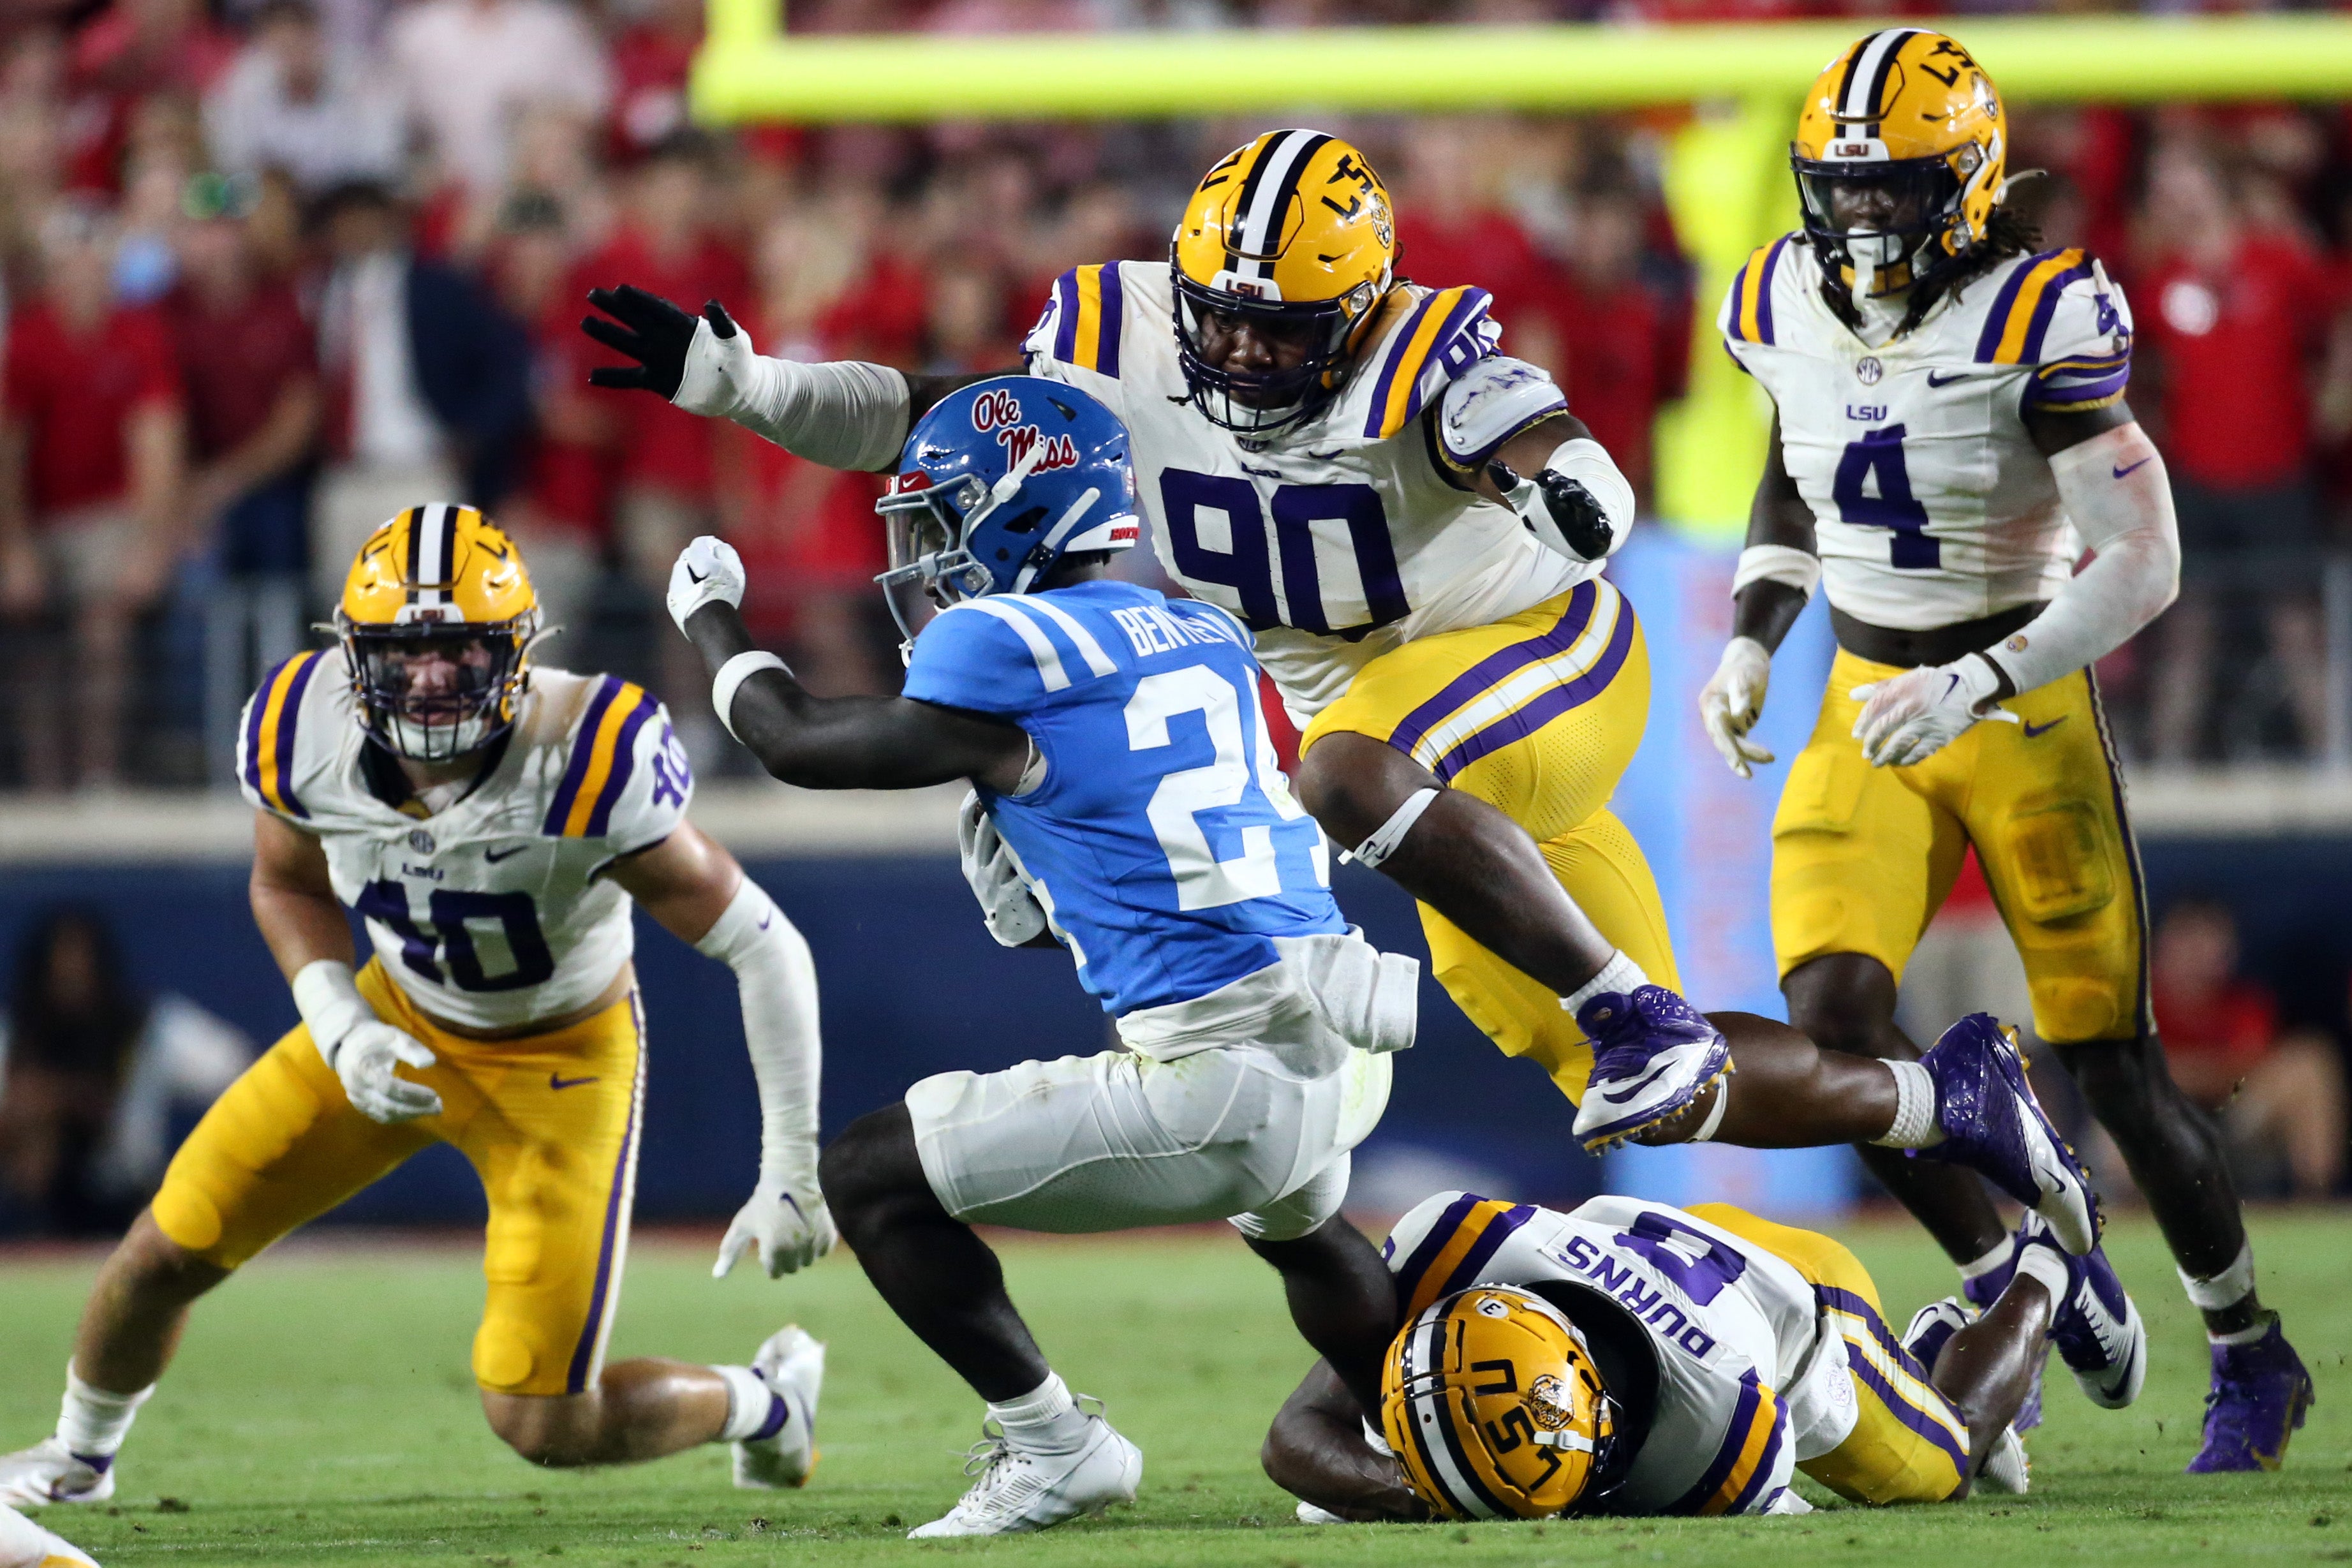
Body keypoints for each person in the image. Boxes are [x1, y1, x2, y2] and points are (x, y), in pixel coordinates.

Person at [664, 374, 2108, 1537]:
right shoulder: (1193, 628)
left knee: (866, 1170)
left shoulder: (1002, 647)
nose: (922, 558)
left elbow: (794, 738)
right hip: (1316, 1043)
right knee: (1302, 1235)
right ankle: (2015, 1255)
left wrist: (707, 612)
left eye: (946, 520)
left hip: (1227, 1060)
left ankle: (1052, 1447)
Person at [581, 129, 2104, 1197]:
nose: (1242, 357)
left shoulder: (1423, 349)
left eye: (1280, 329)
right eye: (1224, 325)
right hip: (1374, 719)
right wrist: (742, 382)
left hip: (1524, 655)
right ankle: (1960, 1130)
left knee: (1351, 780)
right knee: (1648, 1078)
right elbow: (934, 414)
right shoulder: (1116, 336)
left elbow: (1539, 443)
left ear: (1361, 304)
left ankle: (1631, 1012)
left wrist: (1566, 481)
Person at [1694, 27, 2311, 1472]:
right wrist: (1748, 634)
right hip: (1860, 696)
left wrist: (1977, 675)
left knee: (2112, 1069)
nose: (1853, 221)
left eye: (1885, 189)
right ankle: (2021, 1273)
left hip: (2014, 707)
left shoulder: (2038, 313)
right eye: (1833, 191)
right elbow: (1791, 476)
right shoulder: (1778, 294)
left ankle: (2245, 1348)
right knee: (1832, 1023)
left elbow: (2140, 558)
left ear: (1962, 185)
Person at [0, 507, 830, 1508]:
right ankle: (82, 1459)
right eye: (405, 650)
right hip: (397, 1020)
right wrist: (340, 1020)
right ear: (353, 655)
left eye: (461, 649)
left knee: (541, 1419)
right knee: (165, 1247)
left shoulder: (587, 749)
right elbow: (286, 884)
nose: (432, 677)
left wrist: (791, 1161)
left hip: (560, 1061)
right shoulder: (296, 725)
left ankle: (765, 1402)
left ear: (518, 651)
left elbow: (761, 941)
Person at [1265, 1186, 2143, 1523]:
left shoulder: (1719, 1429)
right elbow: (1292, 1434)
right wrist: (1425, 1486)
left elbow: (1779, 1514)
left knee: (1948, 1458)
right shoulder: (1448, 1251)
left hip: (1802, 1320)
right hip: (1689, 1236)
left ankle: (2048, 1264)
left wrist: (1433, 1497)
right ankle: (1929, 1342)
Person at [0, 203, 185, 790]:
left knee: (104, 625)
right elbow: (10, 451)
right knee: (31, 636)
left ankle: (99, 773)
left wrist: (151, 544)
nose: (81, 271)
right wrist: (15, 547)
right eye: (68, 261)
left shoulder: (139, 334)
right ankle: (44, 781)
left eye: (91, 259)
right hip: (41, 514)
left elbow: (158, 438)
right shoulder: (28, 339)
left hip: (112, 512)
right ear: (50, 271)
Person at [0, 906, 250, 1238]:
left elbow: (242, 1071)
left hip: (129, 1213)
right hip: (28, 1225)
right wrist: (36, 1111)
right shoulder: (12, 1040)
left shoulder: (149, 1031)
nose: (73, 976)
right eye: (60, 969)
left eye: (83, 965)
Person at [2151, 898, 2345, 1201]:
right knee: (2127, 1112)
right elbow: (2130, 1076)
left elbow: (2245, 1074)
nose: (2196, 955)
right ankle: (2129, 1219)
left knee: (2309, 1061)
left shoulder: (2245, 1004)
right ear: (2159, 948)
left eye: (2209, 941)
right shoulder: (2139, 1007)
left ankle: (2316, 1203)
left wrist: (2187, 1071)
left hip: (2235, 1127)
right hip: (2163, 1132)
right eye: (2186, 939)